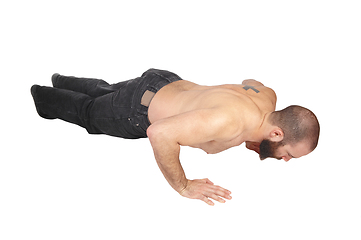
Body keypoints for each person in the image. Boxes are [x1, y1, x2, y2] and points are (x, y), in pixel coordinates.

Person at [31, 68, 320, 206]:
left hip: (163, 81)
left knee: (106, 91)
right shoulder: (228, 122)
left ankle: (61, 79)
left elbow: (250, 82)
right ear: (277, 133)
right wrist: (183, 186)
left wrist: (251, 135)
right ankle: (40, 95)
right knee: (89, 113)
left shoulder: (267, 99)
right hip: (138, 110)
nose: (285, 159)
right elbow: (159, 132)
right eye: (289, 153)